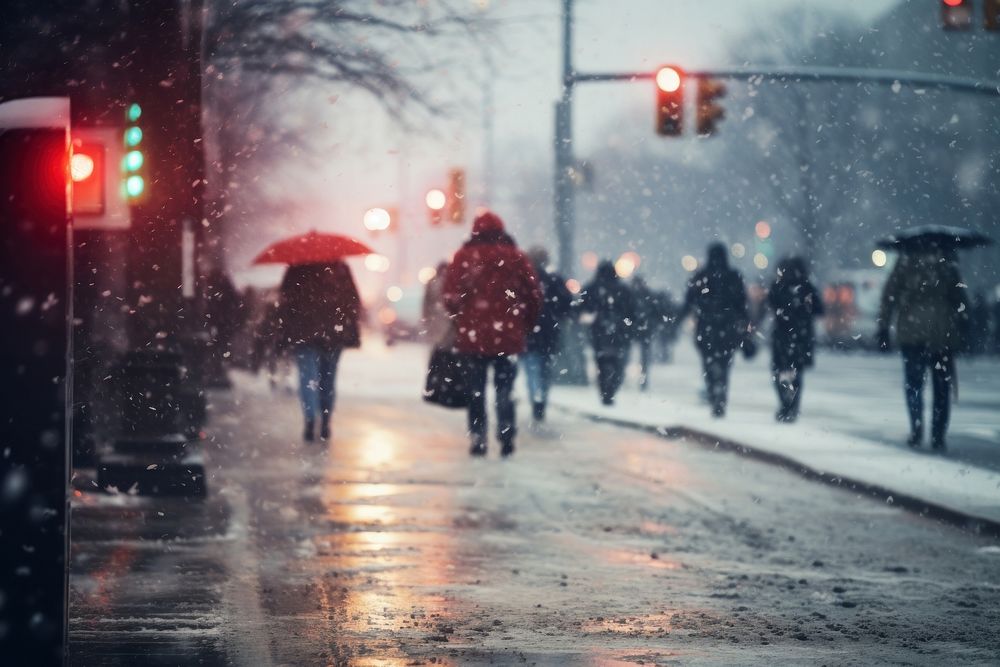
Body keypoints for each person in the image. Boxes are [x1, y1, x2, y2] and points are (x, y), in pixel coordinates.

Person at [443, 211, 541, 457]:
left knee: (475, 391)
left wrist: (462, 318)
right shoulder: (516, 258)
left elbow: (450, 296)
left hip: (473, 337)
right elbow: (532, 295)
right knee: (504, 389)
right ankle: (507, 435)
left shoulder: (465, 257)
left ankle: (478, 438)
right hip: (507, 337)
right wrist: (524, 324)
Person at [878, 250, 967, 450]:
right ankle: (938, 434)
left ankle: (917, 428)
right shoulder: (948, 263)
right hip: (941, 333)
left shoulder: (905, 262)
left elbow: (889, 295)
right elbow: (960, 298)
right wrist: (964, 324)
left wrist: (883, 326)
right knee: (942, 388)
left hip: (912, 331)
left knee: (913, 384)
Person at [278, 261, 361, 442]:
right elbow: (353, 302)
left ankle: (309, 419)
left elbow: (284, 301)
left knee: (307, 377)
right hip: (334, 335)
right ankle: (325, 421)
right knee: (328, 379)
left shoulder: (297, 269)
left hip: (303, 334)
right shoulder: (339, 269)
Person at [678, 243, 750, 417]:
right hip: (728, 329)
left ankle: (713, 393)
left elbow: (689, 302)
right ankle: (721, 395)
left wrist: (679, 319)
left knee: (708, 363)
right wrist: (744, 326)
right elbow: (742, 305)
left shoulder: (701, 276)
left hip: (706, 329)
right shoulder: (734, 277)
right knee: (725, 365)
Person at [763, 257, 824, 423]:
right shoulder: (806, 287)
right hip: (802, 337)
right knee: (796, 374)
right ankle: (792, 406)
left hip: (782, 336)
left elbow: (767, 305)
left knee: (780, 372)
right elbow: (819, 309)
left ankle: (785, 403)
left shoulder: (778, 286)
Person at [522, 247, 573, 423]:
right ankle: (542, 397)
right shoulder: (555, 279)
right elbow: (567, 302)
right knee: (545, 369)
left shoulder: (524, 279)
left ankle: (536, 398)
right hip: (549, 332)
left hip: (529, 332)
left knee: (532, 369)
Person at [580, 261, 636, 405]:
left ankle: (605, 390)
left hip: (599, 331)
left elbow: (583, 307)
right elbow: (632, 311)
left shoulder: (592, 288)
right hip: (619, 332)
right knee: (618, 362)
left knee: (601, 362)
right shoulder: (623, 289)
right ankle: (611, 388)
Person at [630, 275, 659, 391]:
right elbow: (656, 312)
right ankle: (644, 380)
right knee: (644, 357)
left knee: (639, 356)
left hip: (635, 330)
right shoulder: (648, 295)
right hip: (645, 330)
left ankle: (642, 379)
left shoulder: (630, 295)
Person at [421, 261, 453, 347]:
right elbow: (427, 303)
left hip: (441, 318)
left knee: (440, 343)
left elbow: (426, 303)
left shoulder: (434, 283)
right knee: (440, 343)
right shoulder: (435, 283)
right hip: (440, 318)